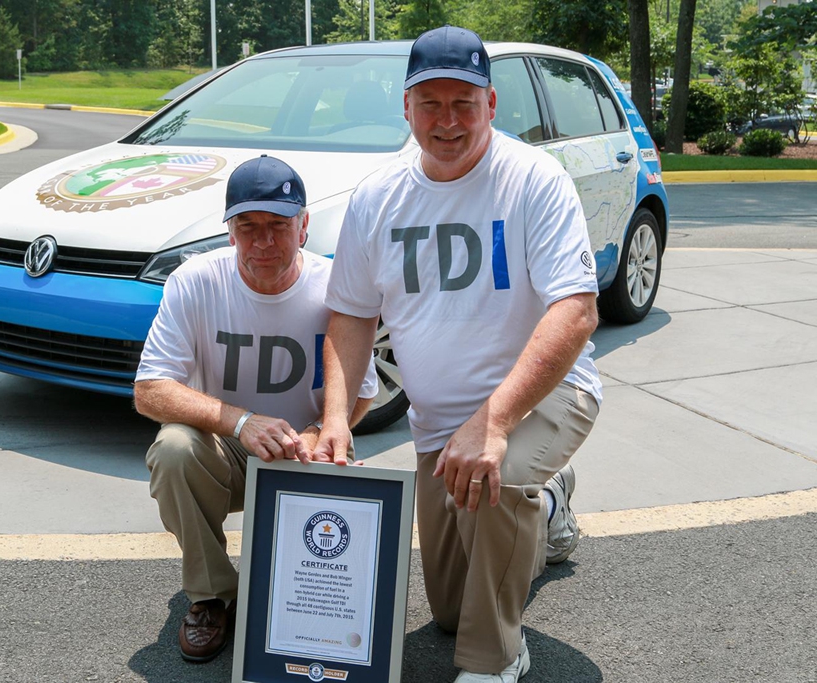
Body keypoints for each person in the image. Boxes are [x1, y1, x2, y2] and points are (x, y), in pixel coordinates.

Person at [315, 26, 602, 683]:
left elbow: (576, 311)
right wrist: (335, 419)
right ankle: (548, 504)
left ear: (491, 105)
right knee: (450, 610)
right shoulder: (377, 198)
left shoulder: (534, 180)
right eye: (431, 104)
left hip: (544, 396)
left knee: (494, 490)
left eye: (464, 104)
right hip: (439, 423)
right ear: (407, 108)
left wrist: (494, 423)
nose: (448, 121)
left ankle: (496, 659)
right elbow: (352, 315)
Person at [134, 155, 379, 663]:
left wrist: (319, 430)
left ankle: (318, 607)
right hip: (226, 452)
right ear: (229, 231)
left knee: (320, 553)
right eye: (248, 227)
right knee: (174, 448)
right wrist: (241, 422)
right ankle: (212, 597)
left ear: (304, 227)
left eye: (278, 225)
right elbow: (150, 390)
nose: (263, 242)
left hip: (305, 448)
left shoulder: (334, 286)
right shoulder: (195, 281)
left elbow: (364, 392)